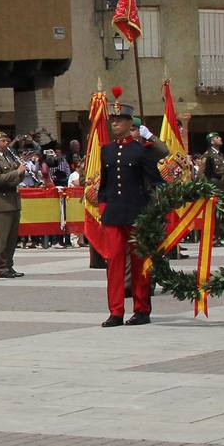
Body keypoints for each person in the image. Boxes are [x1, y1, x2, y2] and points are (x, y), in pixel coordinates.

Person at [90, 104, 164, 327]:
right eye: (112, 120)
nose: (114, 124)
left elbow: (157, 181)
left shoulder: (141, 151)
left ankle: (141, 309)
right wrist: (103, 206)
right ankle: (115, 311)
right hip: (113, 214)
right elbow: (104, 185)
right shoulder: (107, 151)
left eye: (119, 120)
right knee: (114, 263)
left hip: (137, 213)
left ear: (130, 123)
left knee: (139, 262)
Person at [0, 131, 28, 279]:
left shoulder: (7, 156)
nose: (6, 143)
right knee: (3, 237)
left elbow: (15, 179)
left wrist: (21, 171)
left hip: (13, 199)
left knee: (12, 237)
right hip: (1, 201)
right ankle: (1, 267)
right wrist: (17, 172)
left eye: (6, 140)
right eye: (2, 141)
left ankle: (9, 265)